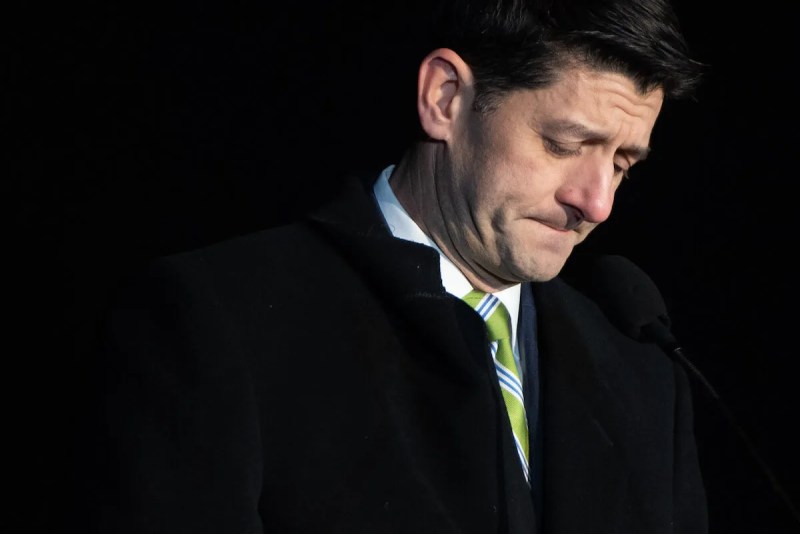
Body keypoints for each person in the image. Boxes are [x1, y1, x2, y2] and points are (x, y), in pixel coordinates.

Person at [82, 0, 708, 532]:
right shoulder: (222, 321)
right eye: (565, 145)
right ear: (445, 97)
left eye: (624, 163)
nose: (596, 203)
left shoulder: (645, 371)